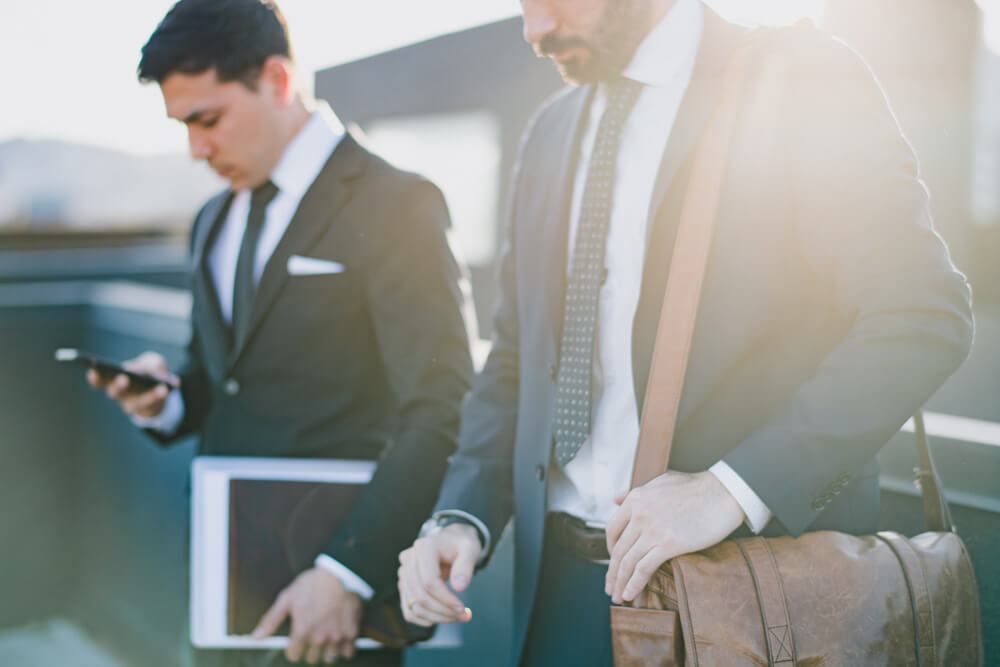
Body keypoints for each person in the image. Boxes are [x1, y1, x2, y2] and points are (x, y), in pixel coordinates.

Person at [396, 0, 974, 664]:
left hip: (749, 609)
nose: (535, 29)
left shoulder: (801, 77)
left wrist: (732, 487)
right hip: (556, 601)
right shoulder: (550, 130)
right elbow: (517, 358)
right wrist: (460, 515)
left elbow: (921, 314)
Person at [86, 1, 474, 665]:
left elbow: (442, 406)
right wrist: (165, 399)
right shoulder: (213, 218)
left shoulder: (398, 202)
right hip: (224, 586)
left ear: (277, 79)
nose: (196, 149)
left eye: (208, 120)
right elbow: (222, 378)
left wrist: (345, 572)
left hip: (338, 603)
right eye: (183, 126)